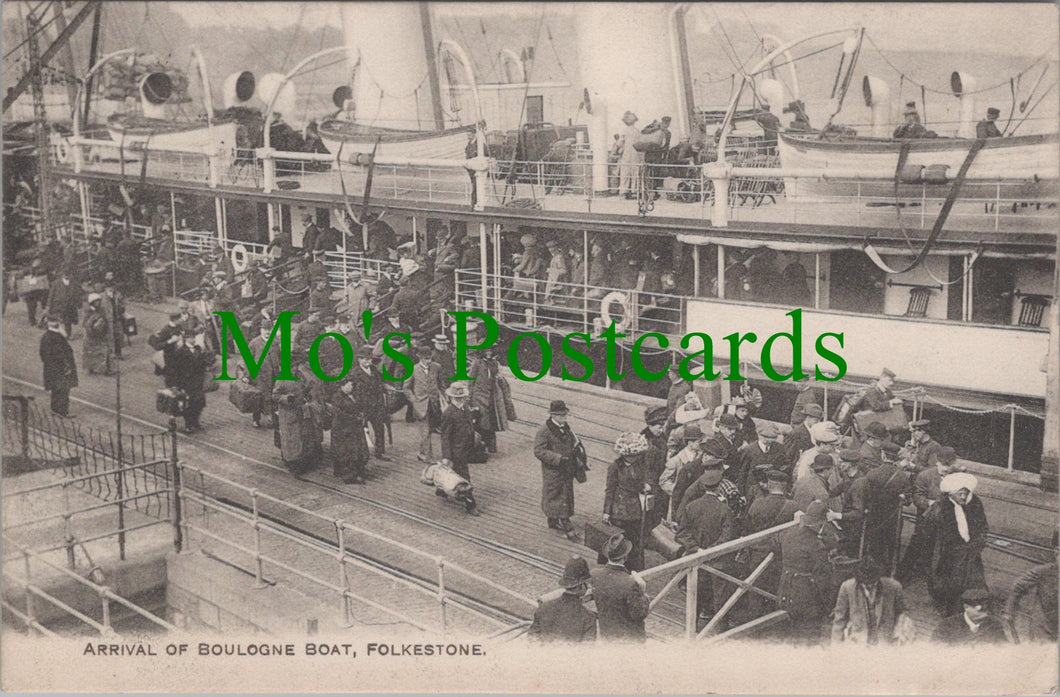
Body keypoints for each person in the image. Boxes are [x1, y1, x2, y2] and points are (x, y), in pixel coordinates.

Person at [675, 465, 736, 624]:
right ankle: (721, 629)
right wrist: (710, 551)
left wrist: (697, 549)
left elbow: (682, 533)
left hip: (696, 559)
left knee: (695, 595)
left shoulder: (691, 506)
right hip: (718, 561)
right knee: (720, 597)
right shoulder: (725, 510)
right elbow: (727, 537)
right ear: (719, 486)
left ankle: (691, 627)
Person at [925, 472, 989, 617]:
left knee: (974, 580)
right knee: (949, 583)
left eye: (966, 494)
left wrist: (978, 542)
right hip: (949, 553)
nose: (963, 497)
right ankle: (950, 610)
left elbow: (982, 525)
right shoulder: (939, 508)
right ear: (951, 494)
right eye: (960, 494)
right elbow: (929, 533)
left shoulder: (974, 503)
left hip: (970, 550)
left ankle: (973, 607)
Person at [777, 501, 835, 646]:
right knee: (809, 638)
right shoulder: (817, 547)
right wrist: (829, 605)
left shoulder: (788, 534)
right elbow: (823, 580)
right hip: (806, 600)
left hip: (785, 592)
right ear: (821, 523)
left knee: (792, 635)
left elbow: (775, 542)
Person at [831, 556, 913, 646]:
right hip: (858, 642)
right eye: (866, 586)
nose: (869, 588)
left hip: (884, 642)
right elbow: (839, 619)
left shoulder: (894, 587)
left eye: (873, 585)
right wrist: (835, 646)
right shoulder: (847, 587)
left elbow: (903, 612)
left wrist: (899, 629)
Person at [534, 400, 584, 540]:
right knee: (555, 494)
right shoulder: (544, 430)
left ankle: (553, 520)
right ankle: (567, 526)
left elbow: (572, 443)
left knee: (564, 494)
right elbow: (539, 451)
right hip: (553, 470)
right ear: (553, 415)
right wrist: (558, 458)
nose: (564, 418)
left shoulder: (566, 428)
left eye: (565, 415)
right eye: (561, 415)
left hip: (567, 468)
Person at [604, 433, 653, 572]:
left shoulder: (640, 465)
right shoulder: (614, 467)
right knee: (619, 540)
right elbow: (610, 490)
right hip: (619, 510)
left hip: (636, 509)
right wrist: (606, 512)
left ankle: (634, 568)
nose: (634, 458)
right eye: (632, 456)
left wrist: (645, 485)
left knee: (635, 540)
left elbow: (644, 479)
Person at [590, 533, 650, 641]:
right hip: (631, 639)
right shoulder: (630, 583)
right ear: (625, 557)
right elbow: (639, 614)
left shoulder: (595, 575)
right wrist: (642, 593)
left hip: (607, 635)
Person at [528, 555, 597, 643]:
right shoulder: (588, 618)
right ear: (581, 586)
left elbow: (532, 640)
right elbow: (587, 649)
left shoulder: (544, 608)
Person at [1003, 531, 1058, 641]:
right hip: (1044, 628)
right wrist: (1008, 611)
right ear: (1056, 553)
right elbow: (1018, 586)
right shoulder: (1044, 571)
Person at [439, 382, 481, 516]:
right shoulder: (448, 413)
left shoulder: (466, 408)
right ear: (451, 398)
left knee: (451, 473)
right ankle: (471, 505)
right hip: (456, 452)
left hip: (466, 449)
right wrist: (446, 456)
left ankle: (441, 490)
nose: (460, 400)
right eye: (457, 398)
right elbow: (445, 437)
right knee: (465, 479)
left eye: (462, 397)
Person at [163, 329, 213, 433]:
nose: (194, 339)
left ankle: (196, 422)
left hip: (198, 381)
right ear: (186, 338)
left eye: (194, 337)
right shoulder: (181, 352)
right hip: (187, 382)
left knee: (200, 403)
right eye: (192, 337)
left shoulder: (197, 349)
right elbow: (176, 369)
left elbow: (201, 363)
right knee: (188, 404)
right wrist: (176, 384)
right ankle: (188, 425)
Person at [468, 347, 514, 454]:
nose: (488, 353)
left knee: (492, 421)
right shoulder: (477, 363)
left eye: (490, 351)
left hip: (492, 396)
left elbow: (497, 376)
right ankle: (480, 446)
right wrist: (469, 398)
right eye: (486, 351)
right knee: (481, 421)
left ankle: (491, 446)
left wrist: (499, 379)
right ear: (482, 351)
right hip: (479, 396)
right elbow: (471, 382)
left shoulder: (494, 363)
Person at [350, 344, 389, 461]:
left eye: (369, 359)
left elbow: (380, 384)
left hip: (376, 405)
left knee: (379, 428)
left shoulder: (375, 371)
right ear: (359, 359)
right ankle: (362, 453)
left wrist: (385, 388)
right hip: (362, 407)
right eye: (365, 359)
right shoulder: (354, 373)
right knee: (361, 430)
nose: (367, 362)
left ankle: (380, 452)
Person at [404, 344, 442, 463]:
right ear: (420, 357)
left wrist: (444, 397)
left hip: (434, 404)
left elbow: (442, 384)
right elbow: (406, 388)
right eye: (426, 359)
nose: (429, 361)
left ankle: (422, 453)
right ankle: (428, 457)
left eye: (430, 358)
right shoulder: (413, 369)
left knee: (429, 430)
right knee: (426, 431)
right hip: (420, 405)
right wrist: (414, 400)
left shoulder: (437, 367)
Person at [932, 588, 1008, 645]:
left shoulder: (994, 625)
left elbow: (1003, 649)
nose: (986, 610)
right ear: (966, 607)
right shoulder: (947, 625)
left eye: (987, 606)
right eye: (980, 608)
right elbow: (934, 649)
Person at [330, 378, 370, 484]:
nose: (350, 387)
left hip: (355, 426)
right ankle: (349, 476)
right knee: (346, 451)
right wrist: (354, 418)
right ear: (341, 386)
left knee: (358, 449)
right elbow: (338, 413)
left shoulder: (353, 395)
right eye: (348, 386)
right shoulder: (337, 397)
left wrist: (361, 414)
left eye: (351, 385)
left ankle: (357, 470)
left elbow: (360, 406)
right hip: (342, 427)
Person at [39, 317, 77, 417]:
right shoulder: (57, 337)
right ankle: (62, 411)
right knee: (63, 389)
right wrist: (66, 366)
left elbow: (43, 354)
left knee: (56, 389)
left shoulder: (47, 336)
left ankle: (55, 409)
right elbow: (60, 353)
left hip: (52, 368)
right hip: (61, 368)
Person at [784, 403, 823, 473]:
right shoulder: (795, 434)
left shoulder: (817, 432)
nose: (818, 423)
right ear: (807, 417)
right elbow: (787, 457)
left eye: (820, 420)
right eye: (816, 420)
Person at [82, 293, 114, 376]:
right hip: (91, 334)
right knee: (90, 352)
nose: (98, 303)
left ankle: (107, 369)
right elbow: (85, 323)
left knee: (105, 351)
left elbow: (106, 319)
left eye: (99, 301)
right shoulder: (88, 311)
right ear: (92, 302)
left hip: (101, 333)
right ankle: (90, 368)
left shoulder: (102, 310)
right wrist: (93, 323)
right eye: (96, 301)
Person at [45, 268, 81, 338]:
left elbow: (77, 294)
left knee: (68, 321)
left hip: (70, 305)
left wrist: (77, 303)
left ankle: (68, 335)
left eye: (68, 274)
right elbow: (51, 295)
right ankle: (57, 335)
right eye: (65, 274)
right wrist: (48, 305)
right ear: (62, 274)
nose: (66, 275)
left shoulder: (73, 283)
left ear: (70, 275)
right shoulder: (55, 283)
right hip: (58, 305)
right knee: (58, 320)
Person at [618, 111, 643, 199]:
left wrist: (619, 148)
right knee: (635, 172)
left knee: (625, 172)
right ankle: (634, 191)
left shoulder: (624, 131)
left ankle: (624, 191)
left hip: (627, 153)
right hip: (636, 153)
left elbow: (620, 143)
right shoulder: (638, 131)